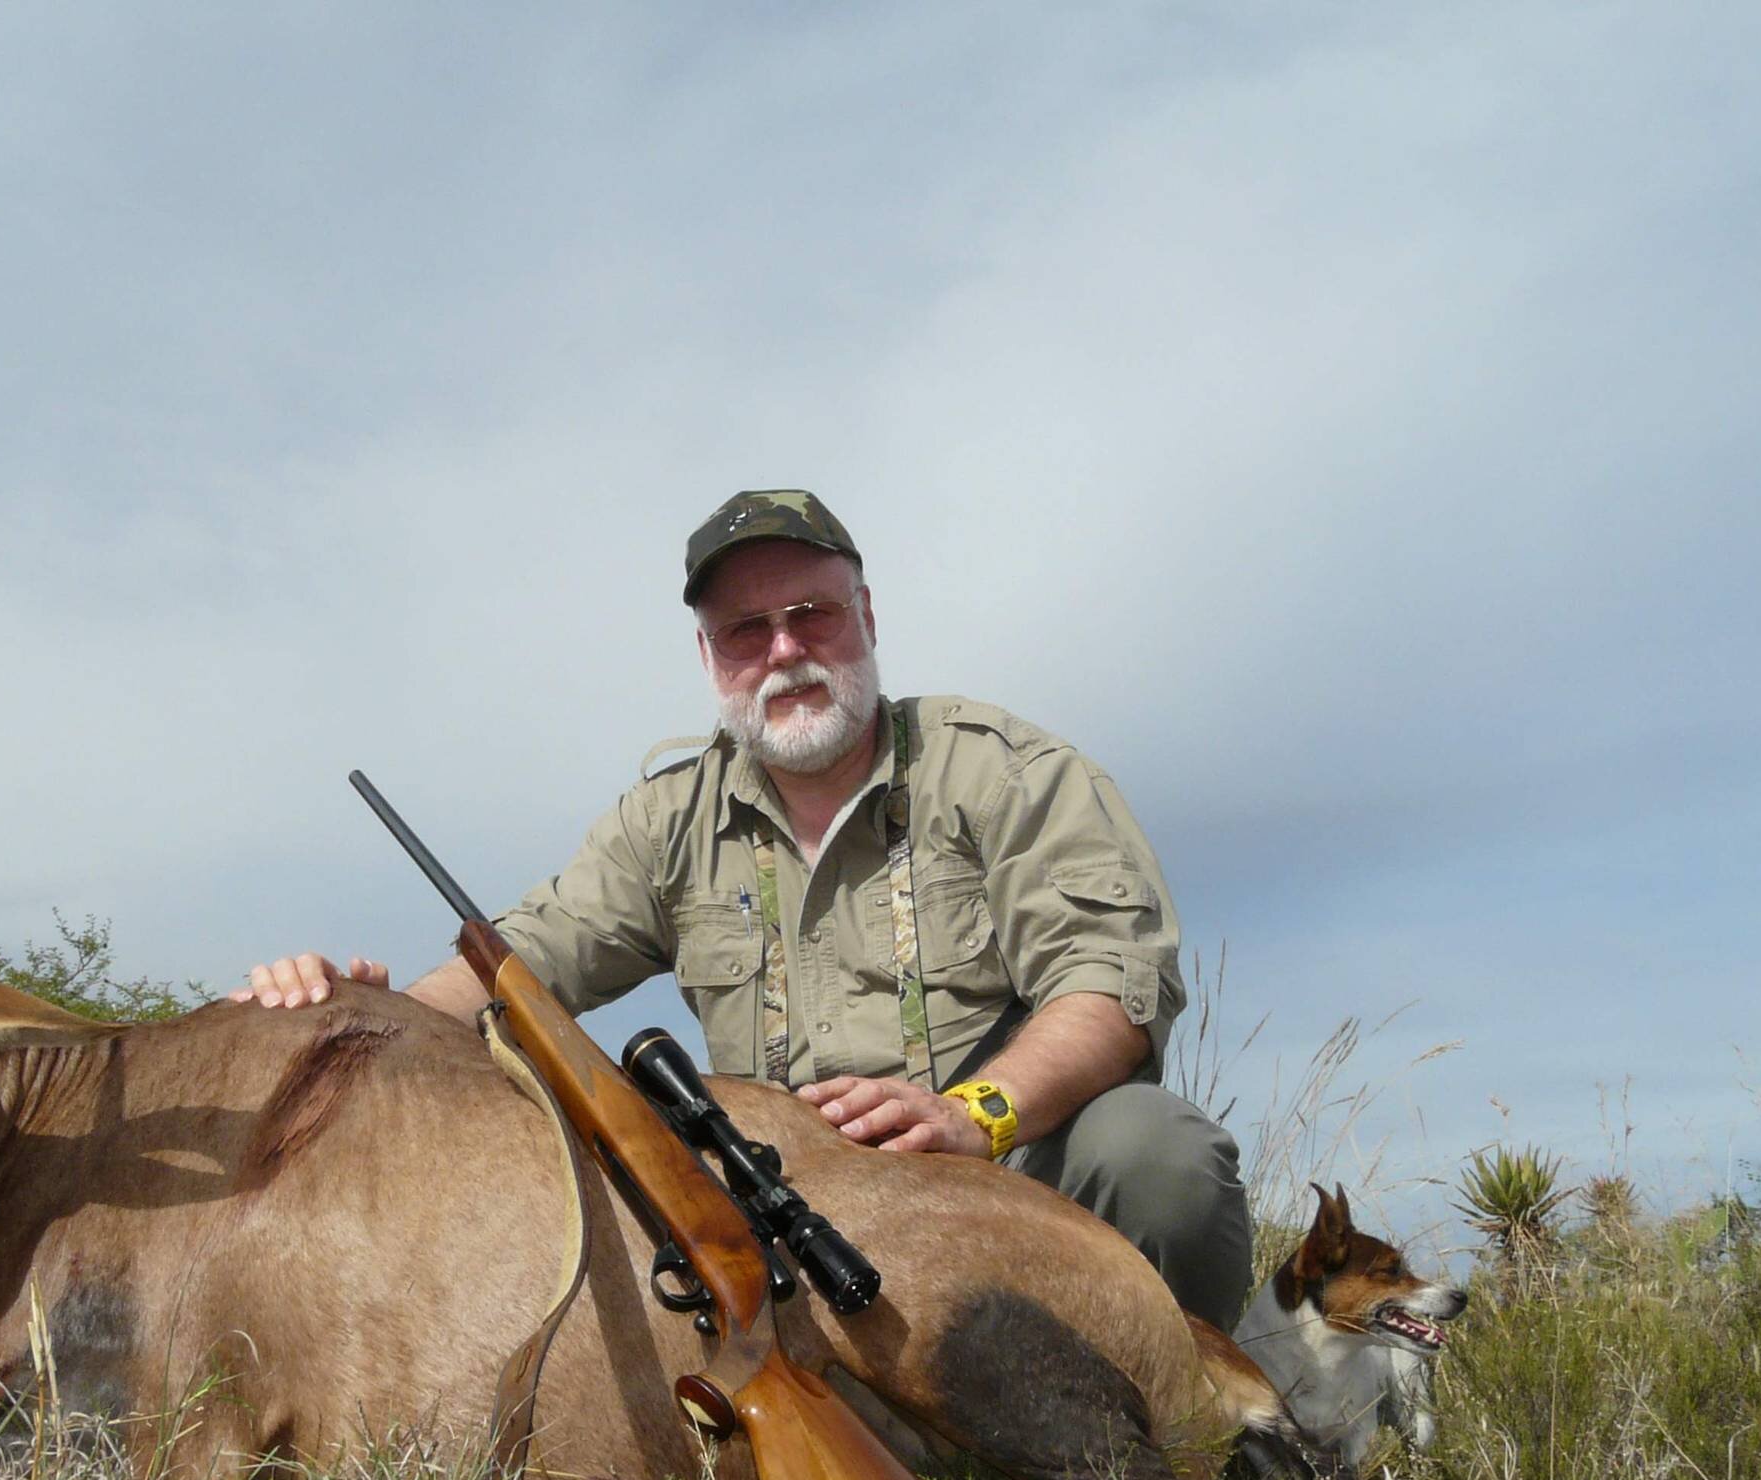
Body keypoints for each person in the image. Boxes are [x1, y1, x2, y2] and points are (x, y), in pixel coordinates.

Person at [235, 490, 1254, 1326]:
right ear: (709, 657)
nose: (781, 650)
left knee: (1155, 1154)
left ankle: (1203, 1434)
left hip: (1005, 1166)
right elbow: (524, 965)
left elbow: (1107, 991)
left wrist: (968, 1117)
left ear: (867, 617)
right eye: (744, 630)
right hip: (789, 1208)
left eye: (809, 614)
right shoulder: (663, 821)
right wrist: (365, 1016)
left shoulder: (1004, 772)